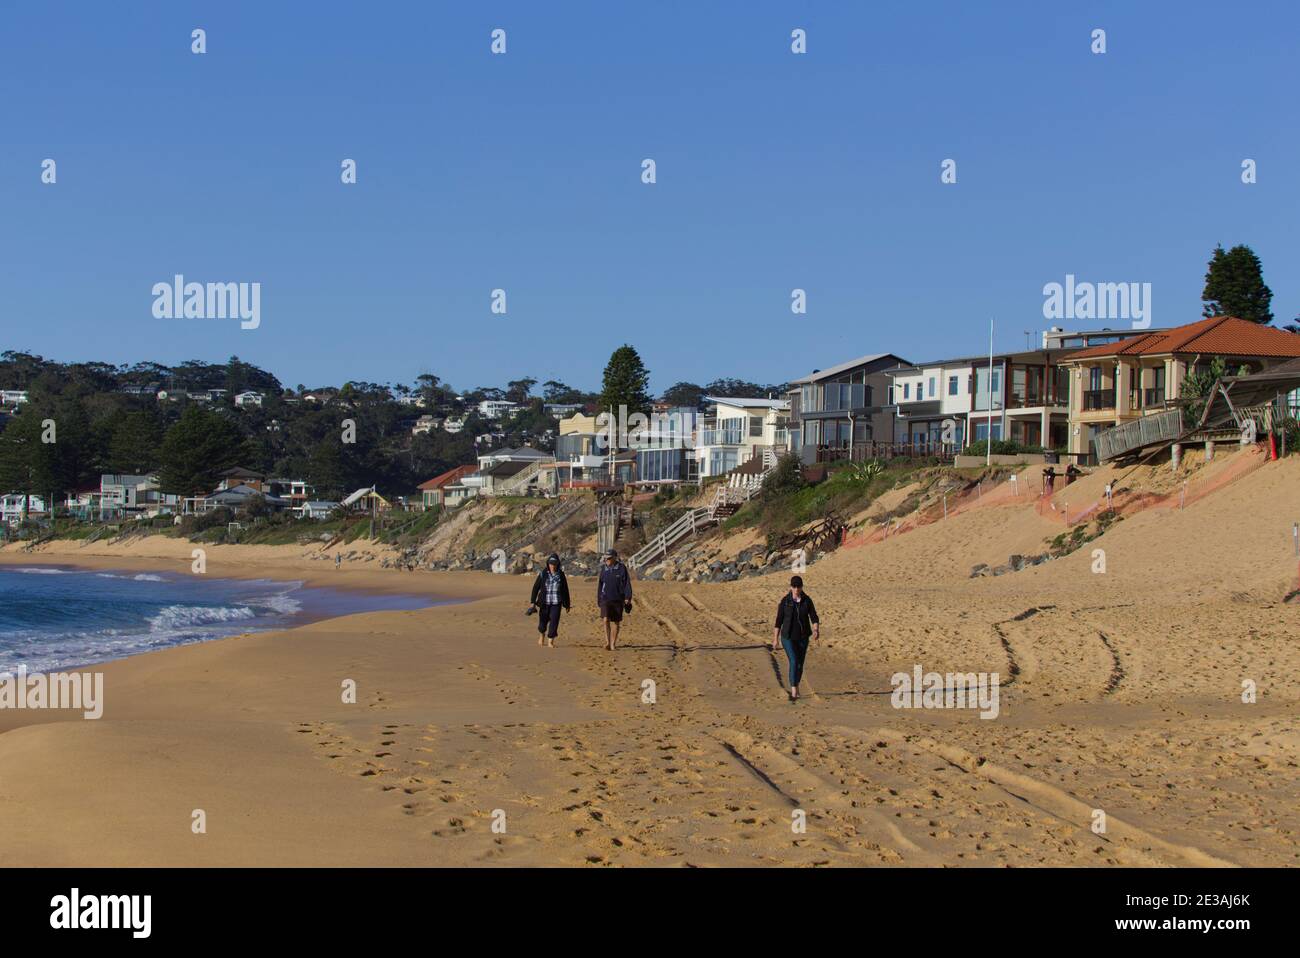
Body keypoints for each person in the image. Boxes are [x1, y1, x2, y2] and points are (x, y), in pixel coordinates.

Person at [771, 575, 819, 702]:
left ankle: (796, 684)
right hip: (787, 637)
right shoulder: (785, 601)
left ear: (802, 587)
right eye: (794, 587)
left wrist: (815, 629)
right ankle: (793, 690)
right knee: (793, 660)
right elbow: (778, 621)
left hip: (803, 637)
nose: (796, 589)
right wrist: (775, 639)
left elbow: (814, 616)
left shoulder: (807, 601)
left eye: (799, 587)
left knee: (800, 664)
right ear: (791, 587)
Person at [528, 553, 571, 648]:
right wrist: (532, 602)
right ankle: (542, 634)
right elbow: (535, 588)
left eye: (554, 564)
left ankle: (550, 641)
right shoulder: (543, 574)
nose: (552, 566)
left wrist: (567, 604)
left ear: (558, 564)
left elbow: (565, 590)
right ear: (548, 564)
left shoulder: (561, 575)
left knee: (554, 621)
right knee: (542, 623)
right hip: (544, 603)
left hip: (556, 603)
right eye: (551, 564)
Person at [596, 549, 633, 651]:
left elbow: (627, 583)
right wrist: (599, 598)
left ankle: (613, 644)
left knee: (616, 622)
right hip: (605, 598)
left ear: (614, 558)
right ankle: (607, 642)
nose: (606, 560)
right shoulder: (604, 569)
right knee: (605, 619)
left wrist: (627, 597)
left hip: (618, 599)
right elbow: (600, 584)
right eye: (605, 558)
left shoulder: (621, 568)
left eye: (609, 558)